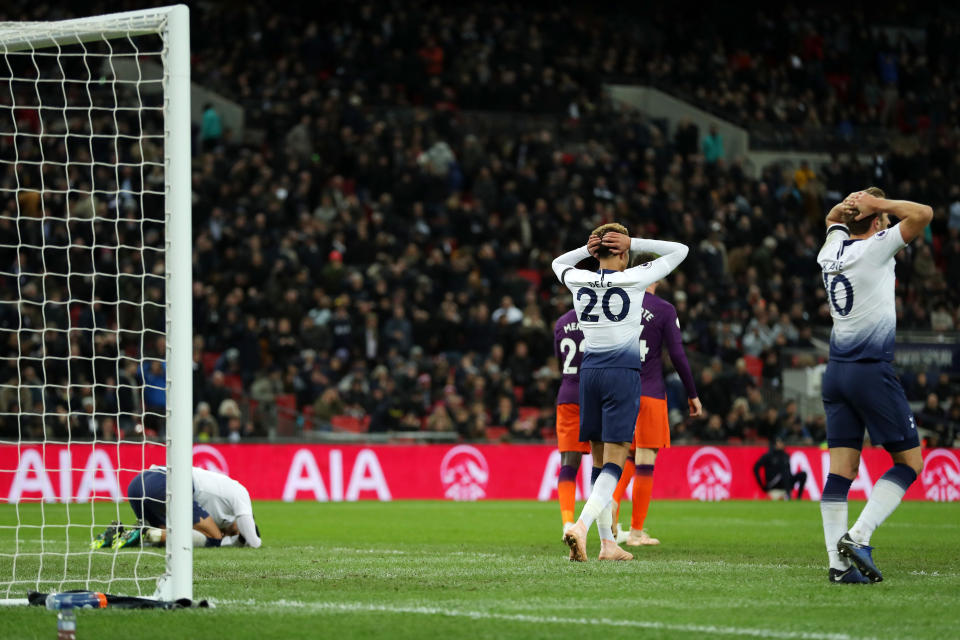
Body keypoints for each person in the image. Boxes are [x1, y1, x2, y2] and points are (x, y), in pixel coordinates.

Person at [552, 224, 688, 562]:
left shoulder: (578, 279)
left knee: (598, 460)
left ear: (597, 252)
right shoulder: (635, 278)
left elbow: (557, 262)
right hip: (622, 374)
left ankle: (607, 543)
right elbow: (680, 250)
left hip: (589, 374)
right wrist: (635, 241)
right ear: (624, 253)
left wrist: (588, 250)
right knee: (617, 457)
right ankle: (580, 526)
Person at [817, 187, 931, 584]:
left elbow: (832, 220)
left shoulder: (829, 250)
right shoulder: (876, 248)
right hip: (870, 371)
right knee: (911, 463)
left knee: (841, 470)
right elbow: (923, 214)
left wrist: (850, 207)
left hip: (836, 372)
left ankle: (838, 565)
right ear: (879, 223)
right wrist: (878, 203)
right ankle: (859, 537)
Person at [610, 252, 702, 546]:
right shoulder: (663, 309)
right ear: (657, 275)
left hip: (618, 391)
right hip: (649, 392)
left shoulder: (616, 302)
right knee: (646, 460)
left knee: (624, 456)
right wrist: (692, 393)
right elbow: (677, 355)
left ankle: (611, 506)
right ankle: (636, 532)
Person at [102, 466, 261, 549]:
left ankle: (121, 533)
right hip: (165, 482)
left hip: (137, 484)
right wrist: (238, 541)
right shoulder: (241, 492)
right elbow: (253, 541)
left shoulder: (221, 508)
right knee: (214, 538)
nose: (230, 532)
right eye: (234, 531)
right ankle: (143, 532)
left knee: (167, 537)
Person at [552, 306, 592, 558]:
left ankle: (568, 522)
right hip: (594, 394)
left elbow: (559, 362)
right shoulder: (599, 317)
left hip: (567, 394)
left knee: (568, 464)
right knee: (604, 459)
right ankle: (609, 528)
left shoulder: (562, 322)